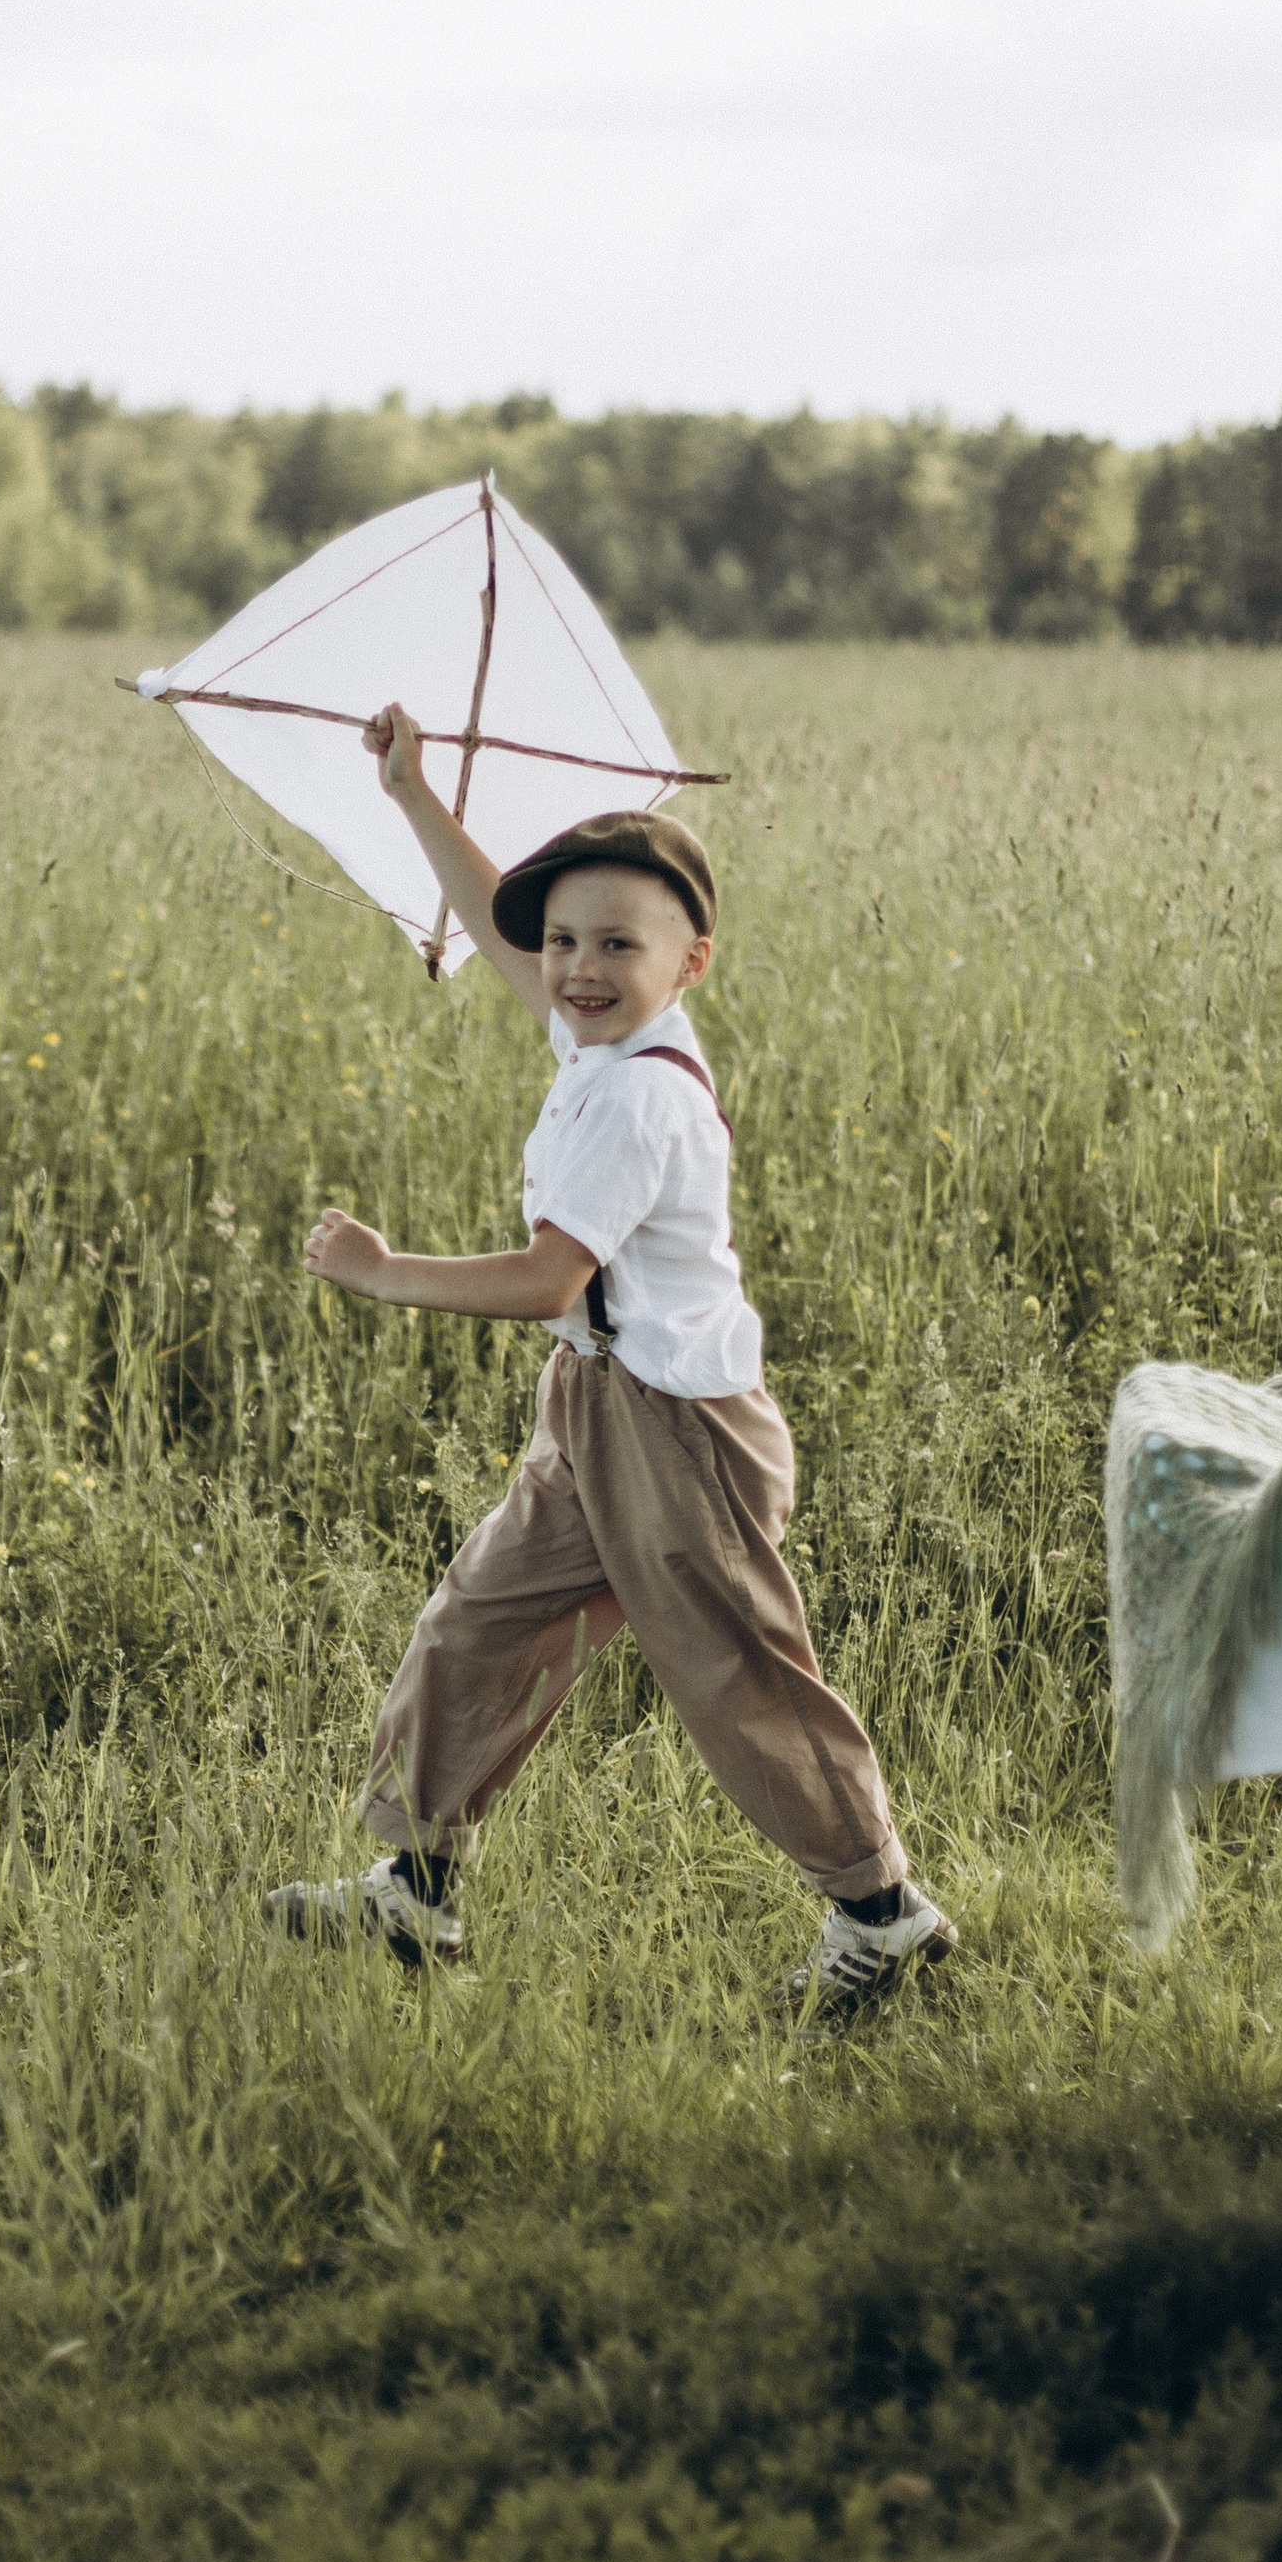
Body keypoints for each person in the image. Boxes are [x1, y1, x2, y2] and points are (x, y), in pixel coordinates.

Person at [267, 702, 954, 2002]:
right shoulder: (601, 1033)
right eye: (567, 939)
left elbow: (546, 1279)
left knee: (735, 1672)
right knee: (478, 1624)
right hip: (595, 1404)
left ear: (689, 963)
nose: (575, 966)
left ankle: (882, 1915)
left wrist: (379, 1270)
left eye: (615, 946)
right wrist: (416, 796)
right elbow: (494, 924)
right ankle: (413, 1893)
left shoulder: (638, 1094)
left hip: (682, 1434)